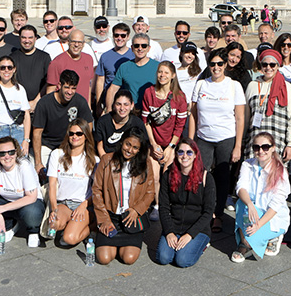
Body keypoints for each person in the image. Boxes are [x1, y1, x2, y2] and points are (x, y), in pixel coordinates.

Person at [189, 48, 245, 232]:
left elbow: (240, 118)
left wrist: (237, 146)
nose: (216, 67)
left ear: (225, 65)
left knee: (222, 179)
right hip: (204, 138)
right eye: (212, 64)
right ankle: (202, 212)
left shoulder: (234, 85)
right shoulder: (201, 85)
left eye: (220, 64)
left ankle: (218, 215)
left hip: (226, 138)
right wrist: (190, 142)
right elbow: (193, 115)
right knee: (200, 176)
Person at [91, 130, 156, 264]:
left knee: (128, 259)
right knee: (104, 259)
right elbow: (96, 190)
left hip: (131, 218)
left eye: (135, 147)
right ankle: (102, 236)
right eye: (128, 144)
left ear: (139, 150)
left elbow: (150, 192)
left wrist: (136, 210)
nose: (130, 150)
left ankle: (125, 243)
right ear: (122, 142)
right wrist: (104, 219)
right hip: (110, 216)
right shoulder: (107, 160)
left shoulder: (146, 163)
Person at [0, 136, 45, 248]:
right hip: (5, 200)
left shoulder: (24, 165)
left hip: (27, 201)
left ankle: (33, 231)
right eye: (2, 153)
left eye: (11, 152)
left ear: (16, 153)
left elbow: (31, 197)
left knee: (32, 214)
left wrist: (2, 209)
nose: (7, 157)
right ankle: (9, 224)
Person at [231, 132, 291, 262]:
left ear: (273, 148)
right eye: (256, 147)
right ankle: (245, 243)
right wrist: (250, 204)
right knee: (242, 204)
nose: (260, 151)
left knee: (253, 233)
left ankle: (272, 237)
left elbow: (276, 205)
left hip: (271, 216)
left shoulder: (280, 171)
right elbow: (241, 188)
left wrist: (259, 225)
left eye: (265, 147)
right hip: (252, 212)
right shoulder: (247, 165)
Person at [157, 138, 214, 267]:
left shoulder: (206, 177)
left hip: (197, 229)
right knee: (164, 258)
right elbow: (164, 207)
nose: (185, 156)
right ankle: (178, 243)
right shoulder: (168, 175)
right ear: (176, 154)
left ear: (195, 155)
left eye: (189, 152)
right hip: (174, 225)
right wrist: (169, 232)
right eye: (181, 152)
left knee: (182, 260)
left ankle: (202, 245)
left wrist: (190, 235)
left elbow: (208, 212)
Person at [32, 69, 95, 173]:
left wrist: (83, 149)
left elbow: (89, 126)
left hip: (70, 145)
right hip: (47, 145)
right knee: (43, 176)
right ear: (59, 85)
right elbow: (37, 133)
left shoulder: (80, 101)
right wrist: (38, 162)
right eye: (67, 87)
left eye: (73, 88)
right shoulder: (44, 103)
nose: (70, 92)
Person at [46, 120, 96, 247]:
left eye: (79, 133)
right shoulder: (57, 154)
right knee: (53, 225)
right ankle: (71, 224)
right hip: (63, 203)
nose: (75, 137)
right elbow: (52, 184)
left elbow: (97, 190)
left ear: (86, 136)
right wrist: (54, 209)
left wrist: (84, 205)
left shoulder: (94, 160)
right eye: (71, 133)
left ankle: (94, 226)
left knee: (69, 239)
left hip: (82, 204)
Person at [245, 50, 291, 162]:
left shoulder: (287, 87)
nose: (268, 68)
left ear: (278, 66)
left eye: (272, 64)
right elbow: (246, 118)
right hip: (255, 143)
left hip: (278, 142)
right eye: (265, 64)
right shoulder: (252, 86)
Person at [141, 61, 189, 176]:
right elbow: (145, 121)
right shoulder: (148, 93)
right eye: (160, 72)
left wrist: (171, 147)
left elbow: (180, 125)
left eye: (166, 72)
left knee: (169, 177)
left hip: (171, 144)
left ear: (173, 75)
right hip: (154, 143)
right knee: (155, 178)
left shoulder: (179, 97)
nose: (162, 75)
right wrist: (153, 144)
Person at [106, 33, 158, 109]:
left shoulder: (158, 67)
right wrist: (109, 110)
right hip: (130, 112)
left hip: (152, 111)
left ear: (149, 48)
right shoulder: (124, 67)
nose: (140, 48)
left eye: (144, 46)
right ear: (132, 48)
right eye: (137, 46)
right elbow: (113, 89)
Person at [47, 28, 97, 102]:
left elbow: (88, 86)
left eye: (79, 42)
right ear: (68, 42)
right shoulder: (57, 62)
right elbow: (50, 91)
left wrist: (88, 107)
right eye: (73, 42)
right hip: (64, 109)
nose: (76, 45)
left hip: (82, 109)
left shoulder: (89, 59)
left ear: (83, 44)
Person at [11, 25, 52, 111]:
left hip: (40, 105)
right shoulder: (12, 58)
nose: (27, 41)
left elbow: (49, 82)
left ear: (35, 38)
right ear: (19, 38)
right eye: (24, 37)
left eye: (30, 37)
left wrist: (35, 102)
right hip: (17, 106)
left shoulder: (45, 57)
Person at [94, 88, 146, 156]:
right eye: (118, 104)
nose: (122, 108)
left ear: (132, 105)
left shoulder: (137, 123)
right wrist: (106, 162)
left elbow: (143, 147)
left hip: (129, 159)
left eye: (126, 104)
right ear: (114, 105)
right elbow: (99, 146)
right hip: (106, 157)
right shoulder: (103, 121)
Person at [95, 23, 133, 113]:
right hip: (110, 103)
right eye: (116, 35)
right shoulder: (105, 56)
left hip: (129, 104)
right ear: (113, 36)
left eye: (123, 36)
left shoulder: (134, 56)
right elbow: (100, 81)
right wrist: (98, 104)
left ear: (128, 37)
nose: (119, 38)